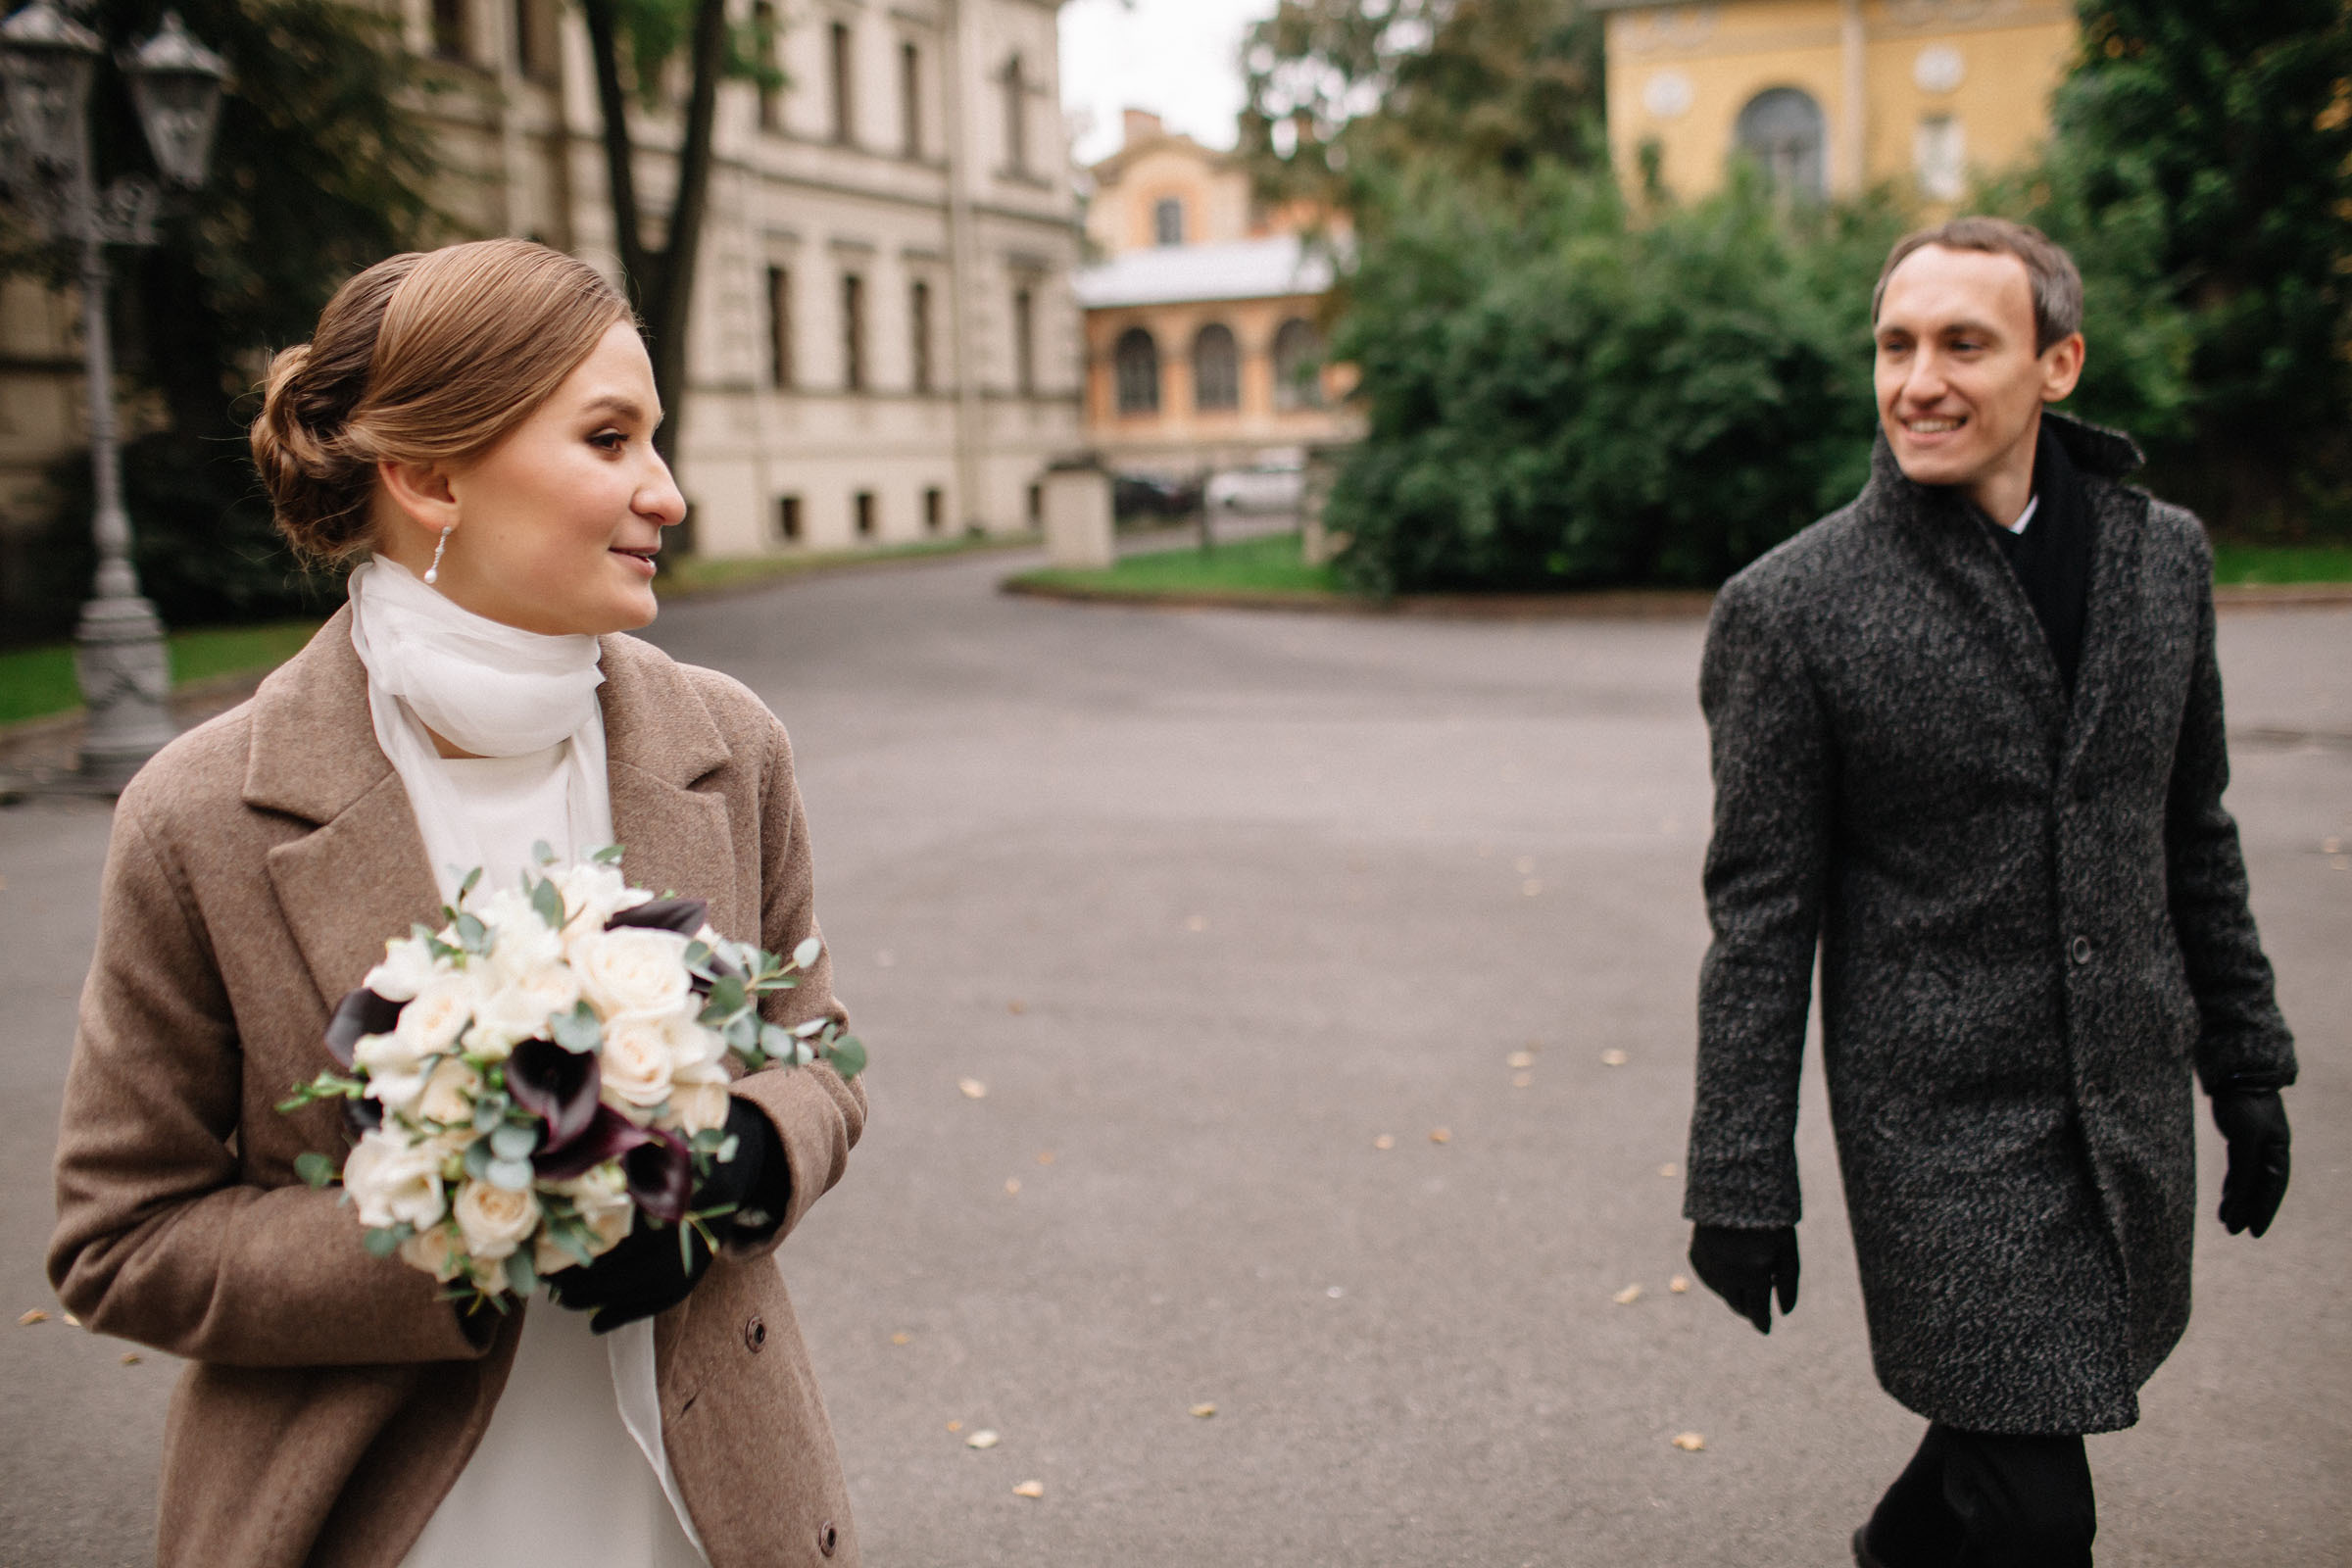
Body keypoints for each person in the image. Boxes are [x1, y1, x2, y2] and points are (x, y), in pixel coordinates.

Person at [47, 239, 868, 1568]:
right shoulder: (198, 815)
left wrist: (753, 1159)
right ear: (430, 477)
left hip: (708, 1502)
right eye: (609, 440)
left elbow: (818, 1052)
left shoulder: (731, 744)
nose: (666, 490)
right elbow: (121, 1240)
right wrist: (461, 1238)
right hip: (382, 1515)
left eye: (653, 439)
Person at [1680, 217, 2296, 1567]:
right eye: (1896, 346)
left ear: (2056, 364)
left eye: (1966, 342)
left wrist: (2245, 1064)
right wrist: (1740, 1173)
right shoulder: (1794, 610)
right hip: (1940, 1133)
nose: (1920, 380)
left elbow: (2191, 829)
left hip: (2122, 1105)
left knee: (1993, 1457)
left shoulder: (2164, 562)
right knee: (2037, 1509)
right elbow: (1763, 922)